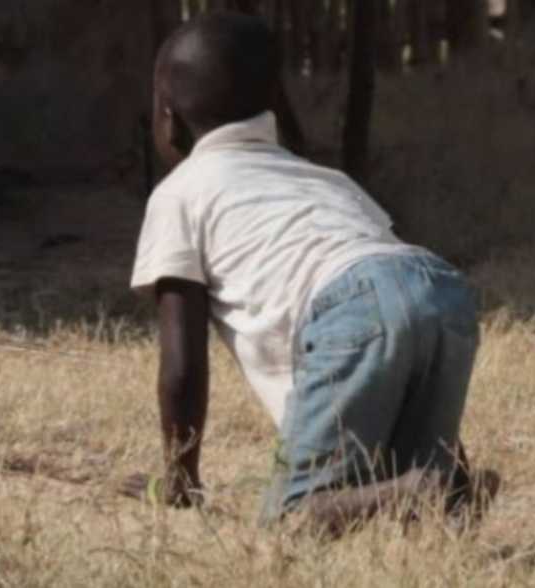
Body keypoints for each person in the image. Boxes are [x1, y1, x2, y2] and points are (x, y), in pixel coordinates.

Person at [122, 13, 493, 534]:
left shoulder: (181, 194)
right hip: (440, 290)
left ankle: (421, 488)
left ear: (167, 118)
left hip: (352, 307)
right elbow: (402, 295)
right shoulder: (327, 180)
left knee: (291, 521)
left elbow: (183, 366)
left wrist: (181, 480)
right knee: (407, 497)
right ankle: (448, 488)